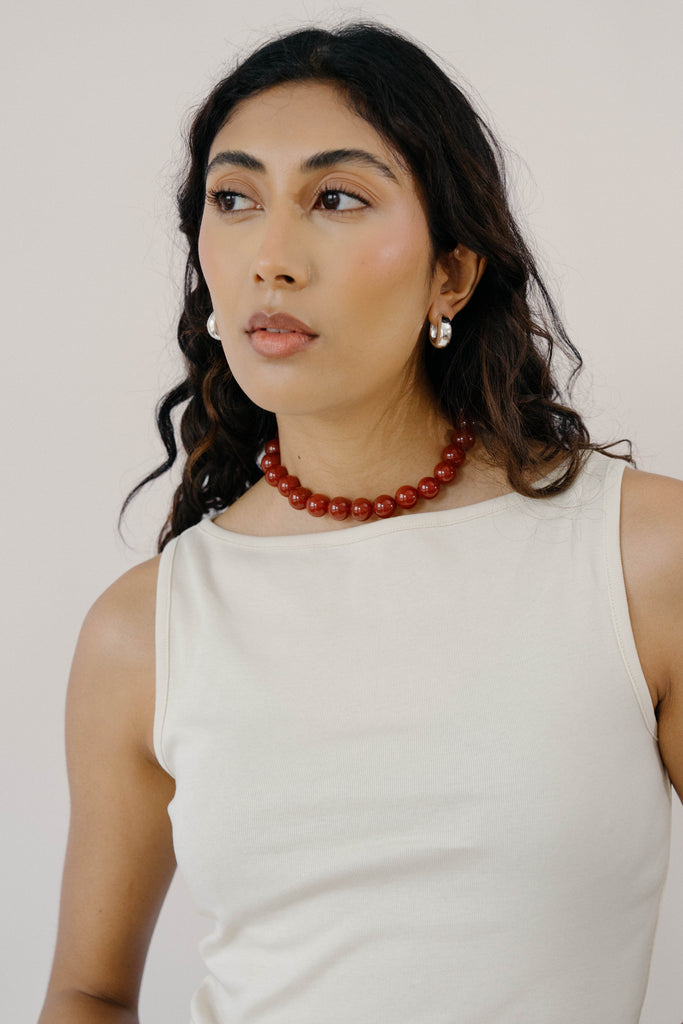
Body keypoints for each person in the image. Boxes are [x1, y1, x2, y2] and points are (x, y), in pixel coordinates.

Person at [38, 21, 682, 1024]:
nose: (271, 257)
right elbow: (88, 992)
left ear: (450, 274)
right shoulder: (144, 629)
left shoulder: (638, 557)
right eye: (233, 199)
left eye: (335, 197)